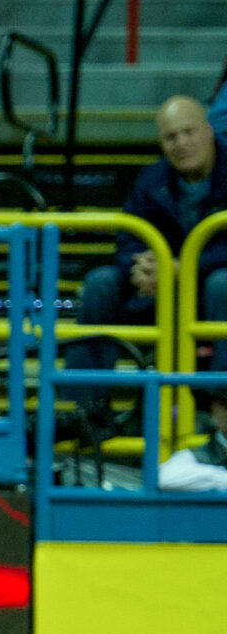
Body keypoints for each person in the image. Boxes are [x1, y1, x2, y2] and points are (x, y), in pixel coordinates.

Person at [73, 97, 227, 429]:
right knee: (101, 282)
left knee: (223, 285)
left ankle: (222, 410)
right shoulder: (151, 178)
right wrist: (144, 265)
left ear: (209, 130)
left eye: (189, 132)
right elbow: (127, 239)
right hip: (160, 294)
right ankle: (85, 411)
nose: (182, 143)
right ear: (162, 143)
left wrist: (183, 267)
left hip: (211, 295)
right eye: (171, 137)